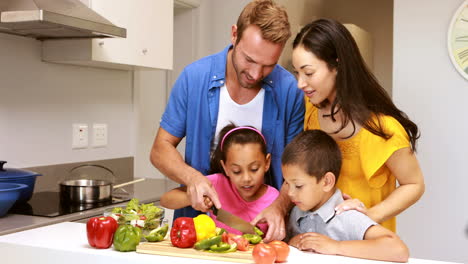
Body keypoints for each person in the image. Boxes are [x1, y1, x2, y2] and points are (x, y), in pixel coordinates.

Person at [252, 18, 425, 240]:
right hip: (317, 245)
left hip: (363, 248)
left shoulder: (384, 129)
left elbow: (414, 184)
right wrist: (278, 207)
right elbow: (298, 173)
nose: (300, 83)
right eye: (297, 73)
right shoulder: (310, 112)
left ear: (337, 65)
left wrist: (369, 216)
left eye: (309, 72)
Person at [151, 0, 304, 223]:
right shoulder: (194, 78)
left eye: (268, 65)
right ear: (234, 34)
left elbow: (297, 169)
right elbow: (159, 149)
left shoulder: (289, 89)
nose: (255, 73)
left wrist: (279, 207)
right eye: (249, 59)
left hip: (262, 232)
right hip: (197, 226)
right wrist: (193, 178)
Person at [283, 130, 409, 262]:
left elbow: (398, 250)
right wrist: (292, 242)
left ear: (326, 182)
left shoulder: (346, 215)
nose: (290, 193)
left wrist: (336, 246)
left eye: (298, 186)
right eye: (287, 183)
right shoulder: (296, 212)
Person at [160, 124, 279, 235]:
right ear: (225, 168)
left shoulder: (274, 199)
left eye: (254, 169)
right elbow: (165, 200)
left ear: (267, 163)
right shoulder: (216, 184)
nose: (246, 178)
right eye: (236, 171)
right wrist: (196, 198)